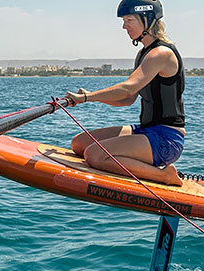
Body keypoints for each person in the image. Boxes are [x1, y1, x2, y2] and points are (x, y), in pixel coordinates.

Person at [65, 0, 185, 186]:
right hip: (146, 130)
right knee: (79, 143)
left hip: (166, 139)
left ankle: (165, 176)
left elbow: (128, 88)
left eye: (129, 20)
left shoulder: (161, 53)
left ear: (147, 20)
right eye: (123, 20)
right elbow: (128, 98)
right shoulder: (144, 54)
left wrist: (87, 97)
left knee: (94, 155)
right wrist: (91, 99)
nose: (124, 26)